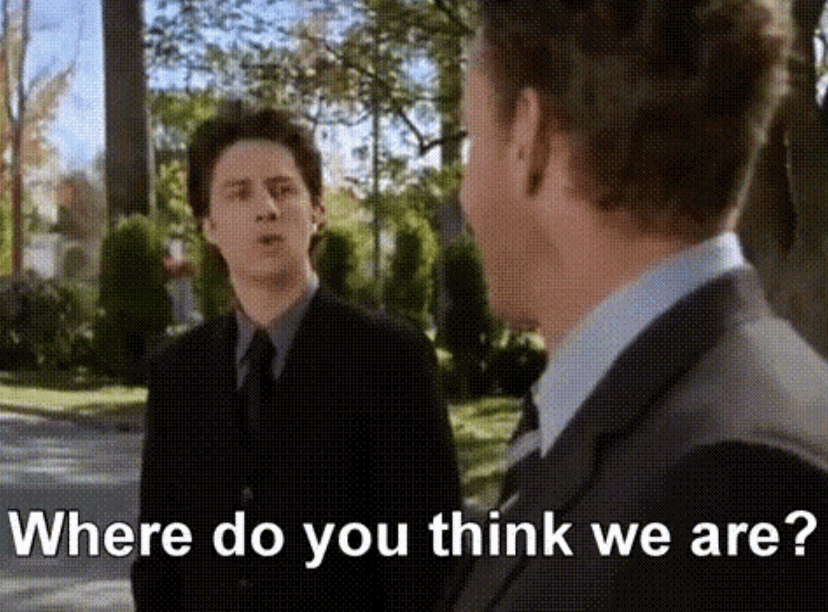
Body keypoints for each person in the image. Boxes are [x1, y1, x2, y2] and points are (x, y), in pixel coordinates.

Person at [441, 1, 828, 610]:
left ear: (528, 136)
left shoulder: (737, 484)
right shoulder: (625, 414)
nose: (463, 192)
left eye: (471, 141)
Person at [131, 107, 461, 611]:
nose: (266, 208)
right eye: (239, 193)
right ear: (208, 225)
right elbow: (160, 560)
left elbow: (427, 564)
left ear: (317, 212)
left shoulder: (390, 359)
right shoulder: (179, 371)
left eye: (283, 189)